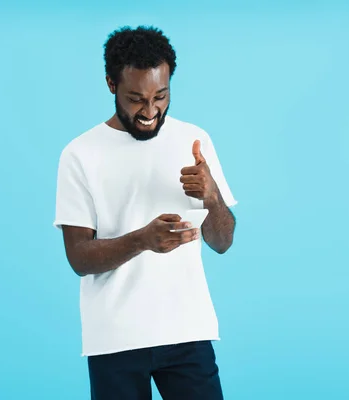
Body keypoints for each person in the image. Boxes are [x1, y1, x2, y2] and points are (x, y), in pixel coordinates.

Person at [53, 25, 238, 400]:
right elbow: (78, 258)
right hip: (114, 338)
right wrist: (142, 239)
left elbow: (223, 242)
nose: (150, 111)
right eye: (136, 98)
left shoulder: (194, 141)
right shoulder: (80, 154)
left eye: (161, 96)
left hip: (188, 331)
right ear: (111, 84)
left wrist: (213, 198)